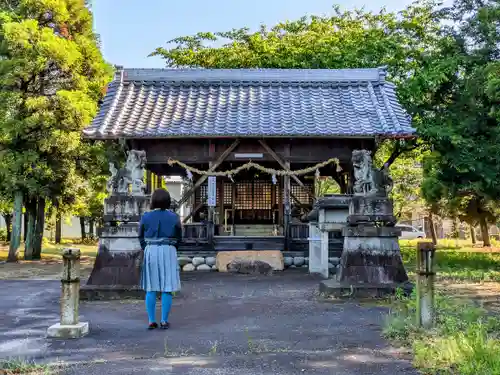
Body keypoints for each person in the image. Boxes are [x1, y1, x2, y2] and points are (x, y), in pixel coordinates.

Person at [139, 188, 182, 330]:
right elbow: (179, 236)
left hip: (151, 249)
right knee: (167, 287)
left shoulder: (146, 216)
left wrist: (146, 247)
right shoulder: (174, 217)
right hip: (168, 249)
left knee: (151, 287)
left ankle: (151, 320)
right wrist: (173, 248)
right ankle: (164, 320)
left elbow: (140, 236)